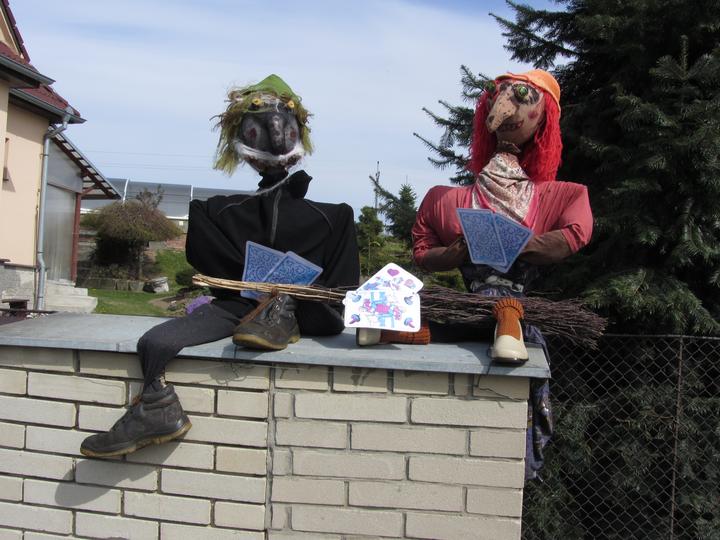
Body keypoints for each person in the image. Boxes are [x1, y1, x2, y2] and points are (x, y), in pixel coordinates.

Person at [81, 75, 360, 458]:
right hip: (245, 309)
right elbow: (339, 288)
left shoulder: (326, 218)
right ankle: (159, 405)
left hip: (301, 311)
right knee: (154, 341)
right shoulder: (218, 214)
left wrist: (291, 297)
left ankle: (283, 310)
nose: (275, 133)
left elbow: (339, 293)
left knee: (159, 340)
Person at [412, 69, 593, 479]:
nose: (508, 107)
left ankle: (507, 321)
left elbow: (575, 233)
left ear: (543, 120)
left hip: (515, 307)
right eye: (500, 97)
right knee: (431, 323)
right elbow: (423, 251)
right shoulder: (445, 199)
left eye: (524, 100)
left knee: (500, 316)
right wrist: (454, 253)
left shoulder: (561, 195)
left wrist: (519, 244)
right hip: (470, 307)